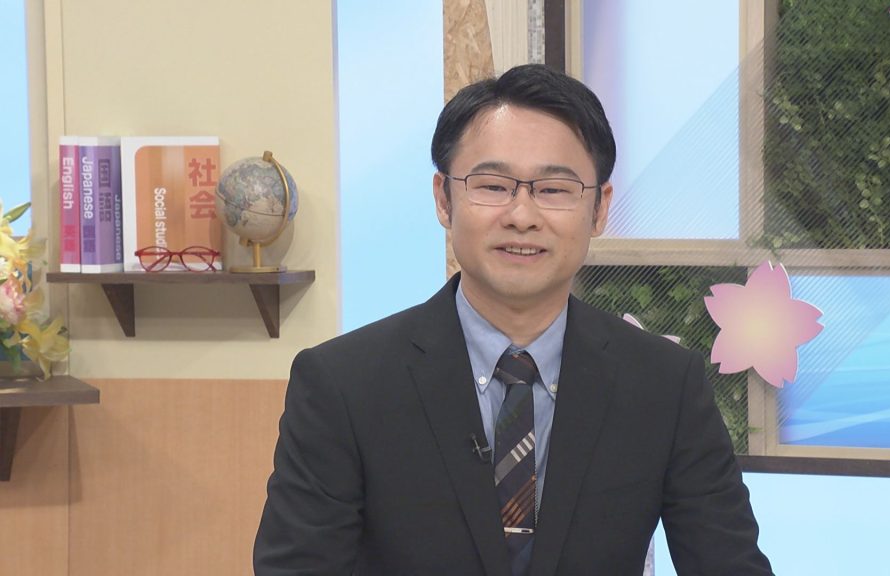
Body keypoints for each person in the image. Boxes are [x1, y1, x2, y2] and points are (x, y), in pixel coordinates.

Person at [254, 63, 773, 576]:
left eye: (554, 189)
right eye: (493, 185)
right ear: (443, 199)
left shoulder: (665, 384)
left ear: (599, 209)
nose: (522, 216)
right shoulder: (343, 385)